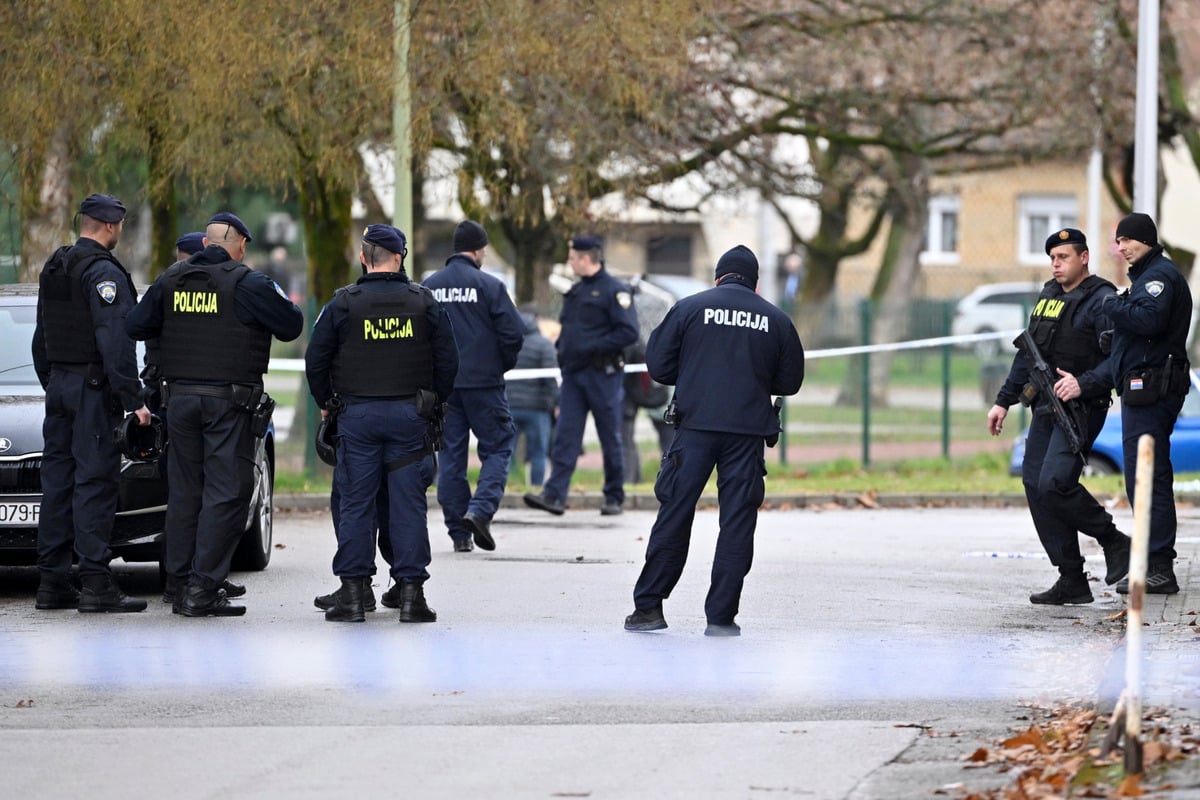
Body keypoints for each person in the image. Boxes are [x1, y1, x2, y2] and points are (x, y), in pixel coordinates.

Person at [126, 211, 303, 617]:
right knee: (228, 492)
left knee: (186, 492)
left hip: (180, 402)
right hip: (228, 404)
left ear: (205, 244)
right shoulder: (248, 283)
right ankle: (203, 588)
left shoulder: (171, 280)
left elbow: (136, 325)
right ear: (238, 245)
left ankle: (178, 582)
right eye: (245, 244)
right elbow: (291, 325)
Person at [624, 245, 804, 636]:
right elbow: (790, 381)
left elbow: (658, 365)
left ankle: (649, 608)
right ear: (754, 283)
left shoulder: (690, 309)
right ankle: (721, 617)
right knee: (737, 523)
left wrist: (695, 370)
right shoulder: (776, 319)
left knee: (675, 512)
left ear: (718, 276)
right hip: (748, 434)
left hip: (694, 428)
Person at [305, 224, 458, 623]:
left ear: (362, 257)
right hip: (410, 417)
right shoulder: (423, 302)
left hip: (357, 418)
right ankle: (411, 597)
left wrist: (326, 405)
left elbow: (315, 360)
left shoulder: (343, 304)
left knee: (356, 505)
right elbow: (449, 360)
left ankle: (354, 596)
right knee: (408, 506)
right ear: (400, 257)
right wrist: (435, 402)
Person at [986, 228, 1131, 605]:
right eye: (1052, 257)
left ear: (1084, 258)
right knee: (1035, 484)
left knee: (1054, 483)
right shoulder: (1049, 295)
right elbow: (1028, 353)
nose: (1055, 264)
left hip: (1082, 408)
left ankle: (1115, 541)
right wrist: (1003, 401)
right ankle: (1071, 579)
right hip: (1045, 406)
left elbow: (1120, 360)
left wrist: (1084, 383)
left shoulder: (1102, 300)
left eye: (1063, 257)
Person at [31, 193, 152, 613]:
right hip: (91, 390)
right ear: (110, 226)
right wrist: (132, 399)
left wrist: (55, 381)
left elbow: (41, 339)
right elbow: (114, 342)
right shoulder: (103, 272)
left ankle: (52, 583)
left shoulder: (55, 265)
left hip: (60, 387)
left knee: (57, 484)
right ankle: (96, 584)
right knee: (95, 484)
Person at [421, 220, 523, 552]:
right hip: (485, 384)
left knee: (451, 456)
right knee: (497, 447)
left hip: (445, 387)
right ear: (478, 250)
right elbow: (513, 333)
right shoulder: (489, 285)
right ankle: (480, 510)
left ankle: (458, 533)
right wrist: (499, 366)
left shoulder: (429, 286)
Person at [1105, 212, 1193, 595]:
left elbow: (1149, 321)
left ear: (1146, 240)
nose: (1121, 247)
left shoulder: (1159, 277)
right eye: (1119, 241)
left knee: (1148, 476)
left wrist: (1112, 307)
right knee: (1143, 476)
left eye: (1128, 240)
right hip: (1144, 389)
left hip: (1153, 391)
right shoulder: (1147, 277)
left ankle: (1158, 566)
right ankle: (1150, 561)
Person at [525, 236, 639, 516]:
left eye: (572, 257)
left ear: (586, 258)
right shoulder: (576, 291)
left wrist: (592, 346)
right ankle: (554, 495)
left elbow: (629, 332)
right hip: (575, 376)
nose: (569, 262)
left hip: (603, 375)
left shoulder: (615, 291)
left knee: (610, 437)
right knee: (565, 436)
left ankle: (614, 496)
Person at [507, 305, 558, 488]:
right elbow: (551, 377)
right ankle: (536, 486)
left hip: (510, 406)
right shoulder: (544, 344)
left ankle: (509, 485)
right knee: (538, 452)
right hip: (538, 408)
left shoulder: (509, 342)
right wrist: (554, 403)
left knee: (506, 450)